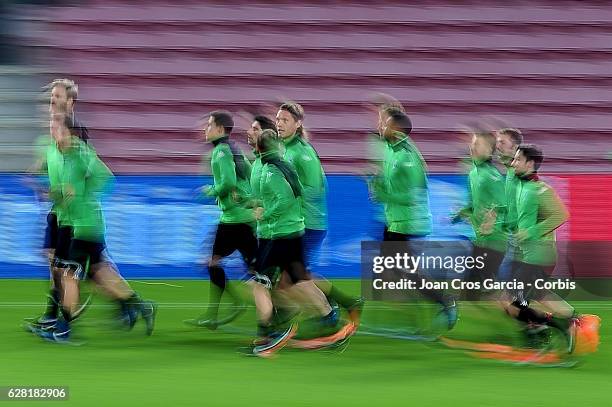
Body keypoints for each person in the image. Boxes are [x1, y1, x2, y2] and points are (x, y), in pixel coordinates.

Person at [31, 113, 156, 342]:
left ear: (69, 131)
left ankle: (63, 327)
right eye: (51, 128)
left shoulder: (81, 154)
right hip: (67, 222)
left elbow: (106, 178)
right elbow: (56, 186)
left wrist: (84, 197)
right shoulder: (54, 153)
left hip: (84, 225)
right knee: (94, 272)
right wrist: (53, 191)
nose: (52, 132)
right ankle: (136, 305)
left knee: (70, 275)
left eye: (56, 128)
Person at [186, 110, 256, 328]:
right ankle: (276, 312)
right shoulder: (234, 150)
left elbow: (227, 182)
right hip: (244, 218)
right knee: (256, 271)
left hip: (234, 220)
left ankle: (220, 312)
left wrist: (211, 190)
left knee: (212, 262)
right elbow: (250, 174)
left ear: (220, 129)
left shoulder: (221, 152)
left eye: (209, 125)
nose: (205, 129)